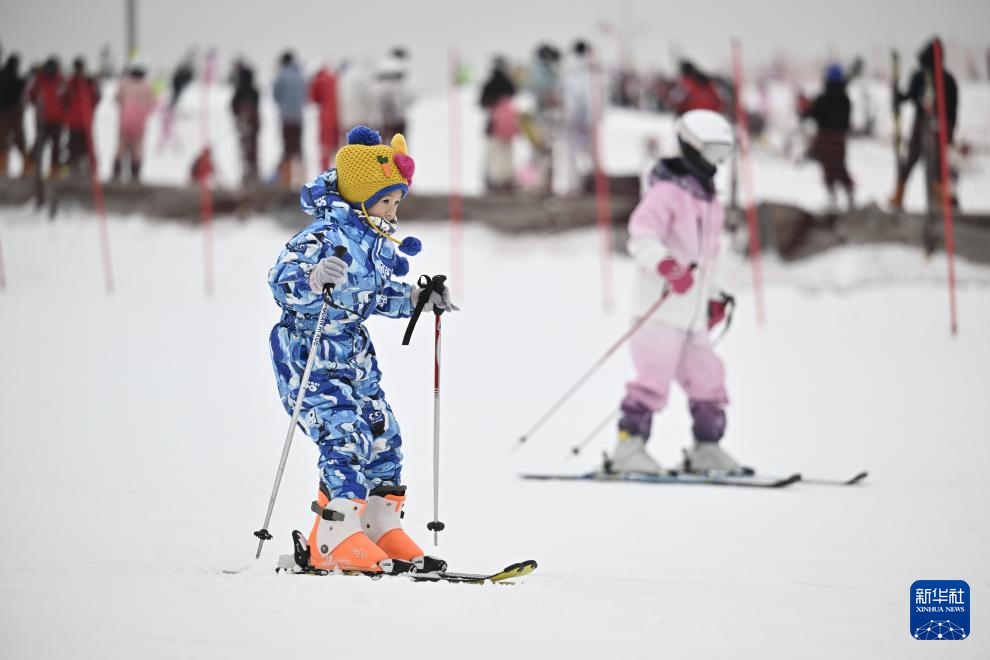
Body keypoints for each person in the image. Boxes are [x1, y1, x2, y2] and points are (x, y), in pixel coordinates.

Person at [268, 125, 457, 573]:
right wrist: (313, 280)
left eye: (397, 202)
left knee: (382, 433)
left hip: (354, 355)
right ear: (360, 196)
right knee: (345, 434)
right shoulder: (322, 237)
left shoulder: (372, 243)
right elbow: (281, 281)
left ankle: (377, 523)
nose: (393, 212)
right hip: (308, 352)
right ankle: (333, 536)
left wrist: (414, 298)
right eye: (386, 201)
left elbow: (371, 295)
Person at [609, 109, 745, 475]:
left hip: (692, 313)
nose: (717, 163)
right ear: (693, 147)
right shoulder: (666, 193)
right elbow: (641, 236)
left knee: (708, 379)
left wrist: (714, 296)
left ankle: (707, 448)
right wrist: (667, 266)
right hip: (660, 307)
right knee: (651, 380)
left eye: (723, 154)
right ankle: (628, 448)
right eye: (713, 153)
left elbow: (708, 258)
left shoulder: (710, 200)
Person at [889, 37, 958, 211]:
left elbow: (908, 97)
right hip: (937, 126)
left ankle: (938, 200)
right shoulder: (944, 78)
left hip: (932, 126)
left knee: (929, 162)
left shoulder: (933, 78)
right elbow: (954, 109)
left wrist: (898, 97)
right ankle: (902, 195)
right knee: (936, 163)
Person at [802, 64, 854, 212]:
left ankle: (833, 198)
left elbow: (808, 114)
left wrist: (804, 106)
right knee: (840, 166)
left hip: (824, 138)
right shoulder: (846, 99)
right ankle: (849, 195)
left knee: (828, 169)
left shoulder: (822, 99)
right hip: (840, 139)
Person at [112, 62, 157, 182]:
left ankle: (116, 175)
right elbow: (154, 104)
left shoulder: (124, 84)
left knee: (120, 149)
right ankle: (135, 176)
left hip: (125, 122)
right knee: (137, 150)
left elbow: (116, 99)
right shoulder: (148, 86)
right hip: (140, 124)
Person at [479, 57, 518, 192]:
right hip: (509, 127)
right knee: (507, 153)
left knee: (494, 154)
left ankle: (496, 181)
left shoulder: (489, 84)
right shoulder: (509, 84)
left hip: (494, 126)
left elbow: (482, 102)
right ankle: (507, 180)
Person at [61, 57, 101, 175]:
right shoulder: (70, 83)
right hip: (74, 122)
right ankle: (72, 168)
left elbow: (95, 99)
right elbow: (64, 100)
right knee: (73, 147)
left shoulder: (88, 83)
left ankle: (90, 169)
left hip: (85, 122)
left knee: (87, 147)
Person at [27, 57, 65, 178]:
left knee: (56, 146)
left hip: (57, 119)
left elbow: (67, 98)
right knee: (39, 143)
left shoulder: (60, 80)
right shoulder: (40, 80)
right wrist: (38, 107)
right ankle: (30, 167)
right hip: (42, 118)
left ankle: (55, 169)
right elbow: (31, 95)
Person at [273, 51, 306, 186]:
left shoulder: (281, 77)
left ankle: (286, 180)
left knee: (287, 148)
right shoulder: (300, 76)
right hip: (298, 116)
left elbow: (276, 95)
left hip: (286, 116)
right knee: (298, 148)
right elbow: (305, 94)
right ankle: (301, 180)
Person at [0, 53, 32, 176]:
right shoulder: (13, 77)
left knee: (4, 139)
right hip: (11, 112)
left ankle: (3, 166)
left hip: (4, 112)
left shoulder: (3, 74)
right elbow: (19, 86)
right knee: (18, 138)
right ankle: (25, 165)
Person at [231, 63, 260, 183]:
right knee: (253, 151)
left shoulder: (239, 91)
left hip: (243, 125)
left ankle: (246, 175)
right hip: (252, 125)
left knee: (244, 151)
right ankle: (253, 174)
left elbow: (233, 107)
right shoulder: (254, 91)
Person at [309, 64, 340, 170]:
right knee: (339, 147)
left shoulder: (319, 80)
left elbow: (313, 98)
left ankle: (325, 174)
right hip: (340, 115)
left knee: (325, 148)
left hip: (325, 116)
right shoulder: (337, 78)